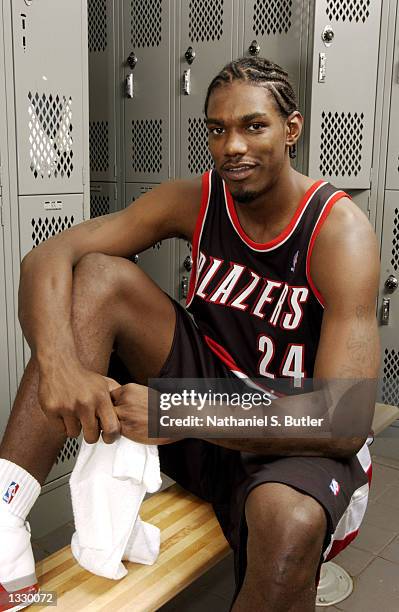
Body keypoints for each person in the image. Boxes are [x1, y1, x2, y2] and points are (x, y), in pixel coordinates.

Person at [0, 57, 379, 612]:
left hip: (293, 433)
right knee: (102, 276)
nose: (232, 146)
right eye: (218, 128)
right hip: (206, 410)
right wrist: (58, 365)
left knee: (290, 526)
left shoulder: (338, 232)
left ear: (291, 129)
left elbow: (344, 420)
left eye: (254, 126)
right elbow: (48, 256)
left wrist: (175, 411)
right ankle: (4, 518)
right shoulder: (197, 199)